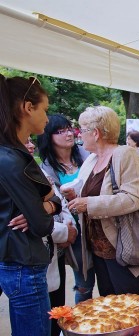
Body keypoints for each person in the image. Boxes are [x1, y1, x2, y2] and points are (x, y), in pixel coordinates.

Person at [0, 75, 62, 336]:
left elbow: (52, 200)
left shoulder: (14, 154)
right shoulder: (12, 159)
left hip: (19, 259)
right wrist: (45, 209)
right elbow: (40, 224)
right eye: (44, 109)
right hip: (23, 262)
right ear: (27, 107)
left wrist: (47, 205)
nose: (47, 118)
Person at [68, 106, 139, 296]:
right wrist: (74, 196)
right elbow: (90, 192)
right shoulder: (92, 159)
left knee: (127, 308)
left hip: (122, 250)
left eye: (82, 130)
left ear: (95, 133)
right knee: (108, 307)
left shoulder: (125, 154)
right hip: (99, 250)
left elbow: (134, 198)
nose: (79, 135)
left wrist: (88, 204)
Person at [25, 136, 77, 336]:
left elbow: (60, 204)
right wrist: (65, 231)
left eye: (31, 141)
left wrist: (67, 224)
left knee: (57, 314)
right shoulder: (13, 175)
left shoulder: (38, 172)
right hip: (31, 261)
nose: (30, 145)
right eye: (24, 141)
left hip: (54, 254)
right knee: (37, 331)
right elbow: (30, 221)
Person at [38, 114, 94, 304]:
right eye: (60, 131)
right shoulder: (46, 168)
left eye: (69, 128)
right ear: (49, 137)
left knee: (107, 278)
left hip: (98, 222)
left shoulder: (87, 154)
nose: (68, 134)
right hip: (73, 230)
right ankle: (84, 321)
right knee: (84, 283)